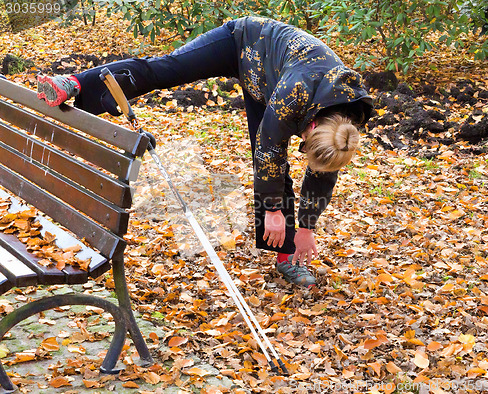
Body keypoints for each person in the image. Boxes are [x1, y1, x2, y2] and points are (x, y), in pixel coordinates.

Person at [37, 16, 373, 288]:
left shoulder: (342, 127)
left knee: (275, 163)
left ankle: (286, 257)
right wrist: (273, 209)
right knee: (166, 69)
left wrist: (307, 227)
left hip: (269, 81)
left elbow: (323, 173)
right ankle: (76, 83)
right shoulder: (295, 93)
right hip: (244, 41)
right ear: (311, 125)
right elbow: (270, 152)